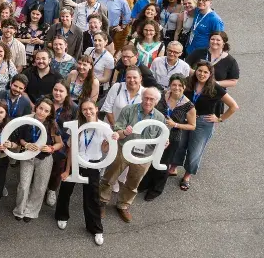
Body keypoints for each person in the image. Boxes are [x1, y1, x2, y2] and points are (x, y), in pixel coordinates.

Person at [99, 88, 166, 223]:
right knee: (109, 177)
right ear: (142, 97)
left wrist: (164, 143)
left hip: (144, 156)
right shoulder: (129, 110)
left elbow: (161, 139)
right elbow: (117, 130)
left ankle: (123, 205)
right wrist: (124, 132)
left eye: (151, 99)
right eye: (146, 98)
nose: (148, 101)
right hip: (123, 149)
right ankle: (101, 202)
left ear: (156, 101)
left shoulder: (160, 118)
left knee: (133, 182)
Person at [55, 99, 112, 246]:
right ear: (81, 111)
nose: (88, 112)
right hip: (76, 162)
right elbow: (71, 150)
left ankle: (96, 229)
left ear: (96, 109)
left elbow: (105, 150)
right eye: (84, 109)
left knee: (92, 196)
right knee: (66, 190)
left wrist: (106, 146)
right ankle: (62, 215)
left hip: (93, 164)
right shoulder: (76, 125)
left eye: (90, 108)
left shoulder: (105, 127)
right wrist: (67, 170)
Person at [179, 61, 239, 191]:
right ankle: (173, 167)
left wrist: (219, 119)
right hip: (185, 119)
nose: (202, 74)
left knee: (195, 150)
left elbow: (234, 106)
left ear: (210, 74)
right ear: (195, 71)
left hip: (203, 123)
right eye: (199, 70)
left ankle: (187, 176)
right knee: (179, 144)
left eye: (205, 72)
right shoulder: (188, 82)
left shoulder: (215, 87)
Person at [139, 75, 196, 200]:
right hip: (155, 133)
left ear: (184, 87)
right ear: (170, 85)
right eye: (174, 84)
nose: (177, 88)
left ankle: (156, 189)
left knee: (163, 164)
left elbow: (192, 126)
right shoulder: (162, 96)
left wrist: (175, 124)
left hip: (172, 138)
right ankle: (145, 183)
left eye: (180, 85)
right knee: (150, 159)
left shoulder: (189, 106)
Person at [13, 98, 63, 222]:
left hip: (44, 158)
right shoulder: (27, 120)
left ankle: (31, 212)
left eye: (46, 111)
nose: (42, 112)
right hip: (27, 156)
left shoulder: (52, 125)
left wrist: (51, 148)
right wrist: (26, 144)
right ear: (36, 107)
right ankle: (20, 210)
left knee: (40, 187)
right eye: (40, 108)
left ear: (50, 113)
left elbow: (60, 144)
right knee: (24, 185)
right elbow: (20, 139)